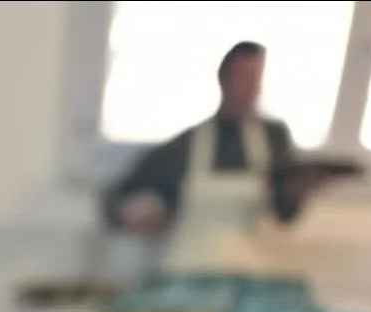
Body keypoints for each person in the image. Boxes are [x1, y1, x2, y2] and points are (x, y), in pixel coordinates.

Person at [102, 40, 335, 273]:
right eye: (243, 78)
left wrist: (299, 191)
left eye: (256, 79)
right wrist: (130, 214)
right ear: (223, 79)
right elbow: (115, 198)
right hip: (189, 271)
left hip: (252, 274)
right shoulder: (184, 147)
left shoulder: (274, 139)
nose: (250, 88)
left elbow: (284, 214)